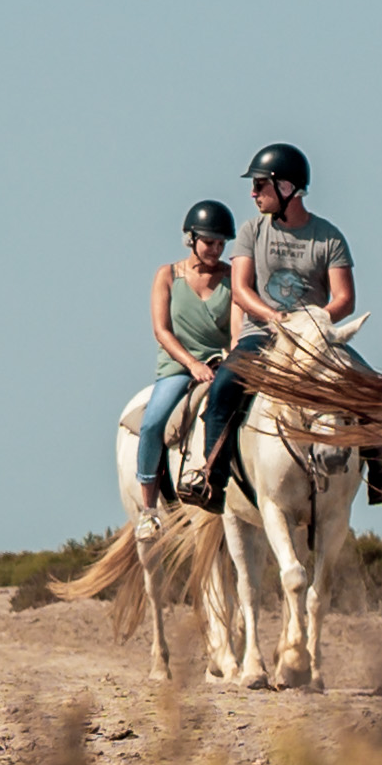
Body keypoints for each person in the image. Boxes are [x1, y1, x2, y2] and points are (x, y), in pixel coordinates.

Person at [198, 142, 382, 507]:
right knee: (223, 387)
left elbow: (344, 299)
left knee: (369, 386)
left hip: (315, 340)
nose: (253, 193)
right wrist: (276, 318)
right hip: (262, 336)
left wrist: (310, 325)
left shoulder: (328, 237)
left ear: (286, 188)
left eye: (260, 185)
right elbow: (241, 289)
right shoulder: (251, 231)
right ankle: (212, 478)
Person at [131, 200, 240, 533]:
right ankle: (149, 509)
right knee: (153, 423)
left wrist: (229, 359)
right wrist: (192, 364)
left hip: (221, 363)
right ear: (191, 239)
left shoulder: (233, 277)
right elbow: (161, 330)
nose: (216, 250)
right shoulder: (167, 275)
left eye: (221, 244)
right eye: (209, 242)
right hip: (179, 366)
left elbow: (238, 330)